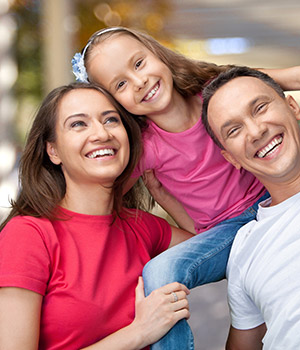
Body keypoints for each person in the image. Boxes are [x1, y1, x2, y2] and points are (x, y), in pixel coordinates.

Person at [71, 26, 300, 349]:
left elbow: (296, 78)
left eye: (139, 64)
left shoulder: (216, 91)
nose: (139, 81)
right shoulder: (145, 149)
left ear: (157, 53)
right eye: (121, 84)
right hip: (229, 230)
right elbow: (100, 196)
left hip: (276, 176)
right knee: (159, 273)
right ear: (116, 103)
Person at [0, 83, 194, 350]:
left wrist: (166, 198)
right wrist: (139, 332)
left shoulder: (141, 226)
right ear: (53, 151)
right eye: (79, 124)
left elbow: (213, 250)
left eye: (111, 120)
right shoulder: (29, 234)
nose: (101, 133)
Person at [202, 66, 300, 349]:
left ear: (292, 106)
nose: (256, 131)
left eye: (260, 108)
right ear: (230, 158)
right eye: (234, 129)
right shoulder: (244, 247)